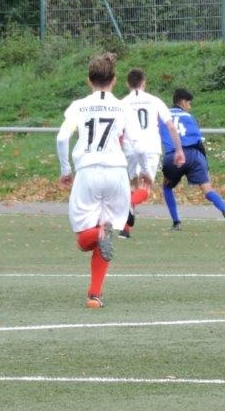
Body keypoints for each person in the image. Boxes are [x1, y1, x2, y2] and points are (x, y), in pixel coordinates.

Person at [56, 52, 144, 308]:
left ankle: (99, 234)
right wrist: (142, 172)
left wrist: (65, 171)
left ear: (89, 80)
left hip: (88, 172)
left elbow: (62, 138)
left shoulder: (79, 106)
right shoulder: (123, 107)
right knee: (105, 233)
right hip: (116, 173)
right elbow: (136, 145)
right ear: (114, 80)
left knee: (85, 238)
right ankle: (94, 295)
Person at [159, 88, 225, 231]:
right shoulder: (189, 117)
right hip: (194, 155)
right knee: (207, 190)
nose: (190, 107)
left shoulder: (163, 115)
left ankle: (176, 223)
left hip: (174, 156)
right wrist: (205, 165)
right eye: (189, 103)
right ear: (183, 102)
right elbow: (198, 142)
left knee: (166, 186)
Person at [119, 68, 186, 238]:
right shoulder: (154, 101)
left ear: (127, 84)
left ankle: (125, 230)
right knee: (145, 187)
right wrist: (179, 150)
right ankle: (128, 206)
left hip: (130, 146)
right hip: (150, 147)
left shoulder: (123, 103)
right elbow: (171, 126)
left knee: (133, 184)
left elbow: (118, 131)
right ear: (144, 83)